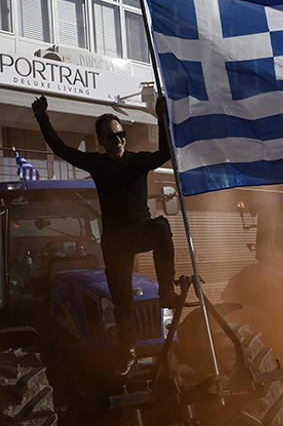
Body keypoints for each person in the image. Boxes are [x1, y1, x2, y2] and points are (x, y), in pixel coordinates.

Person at [31, 94, 177, 375]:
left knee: (161, 227)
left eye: (121, 135)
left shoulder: (138, 161)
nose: (119, 140)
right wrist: (42, 117)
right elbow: (61, 148)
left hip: (140, 231)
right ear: (102, 141)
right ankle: (128, 352)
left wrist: (163, 119)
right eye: (112, 137)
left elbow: (165, 153)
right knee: (122, 302)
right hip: (116, 243)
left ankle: (167, 290)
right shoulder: (97, 165)